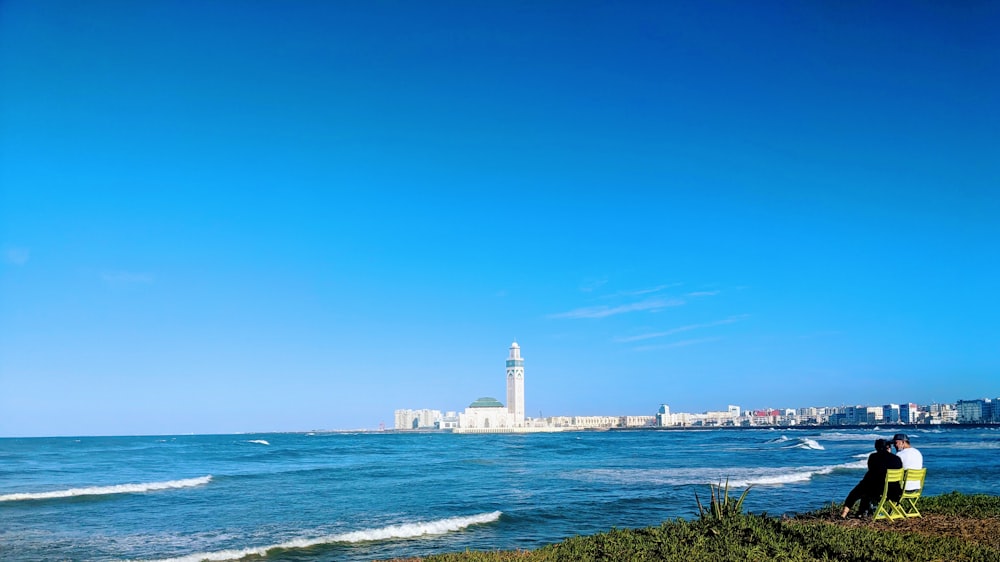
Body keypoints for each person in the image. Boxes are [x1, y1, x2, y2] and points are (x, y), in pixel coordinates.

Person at [841, 438, 902, 518]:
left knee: (857, 492)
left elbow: (872, 471)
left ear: (876, 448)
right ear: (888, 447)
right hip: (895, 493)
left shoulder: (873, 457)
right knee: (866, 490)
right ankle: (862, 512)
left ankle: (844, 514)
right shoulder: (896, 459)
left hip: (879, 491)